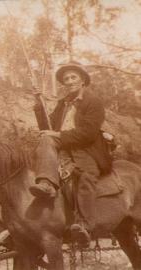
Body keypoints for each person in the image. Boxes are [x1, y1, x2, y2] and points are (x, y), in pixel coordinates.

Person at [29, 61, 111, 246]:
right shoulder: (63, 104)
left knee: (86, 178)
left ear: (82, 80)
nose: (69, 81)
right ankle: (46, 184)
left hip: (87, 149)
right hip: (63, 147)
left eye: (73, 77)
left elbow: (88, 133)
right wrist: (38, 103)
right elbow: (46, 128)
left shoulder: (93, 102)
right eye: (66, 79)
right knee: (44, 139)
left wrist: (57, 134)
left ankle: (85, 225)